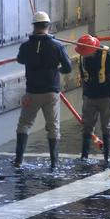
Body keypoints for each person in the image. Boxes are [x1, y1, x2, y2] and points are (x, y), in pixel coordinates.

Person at [14, 10, 72, 170]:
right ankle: (54, 163)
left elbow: (20, 60)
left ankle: (18, 161)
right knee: (53, 127)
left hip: (32, 92)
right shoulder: (57, 46)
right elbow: (68, 68)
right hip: (51, 92)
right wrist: (56, 69)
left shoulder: (26, 46)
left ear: (34, 26)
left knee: (24, 124)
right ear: (48, 25)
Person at [75, 34, 110, 165]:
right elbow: (83, 77)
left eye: (86, 52)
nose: (84, 55)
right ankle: (84, 156)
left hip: (106, 96)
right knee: (87, 126)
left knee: (106, 126)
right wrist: (84, 96)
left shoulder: (107, 56)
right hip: (89, 96)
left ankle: (107, 157)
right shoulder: (82, 56)